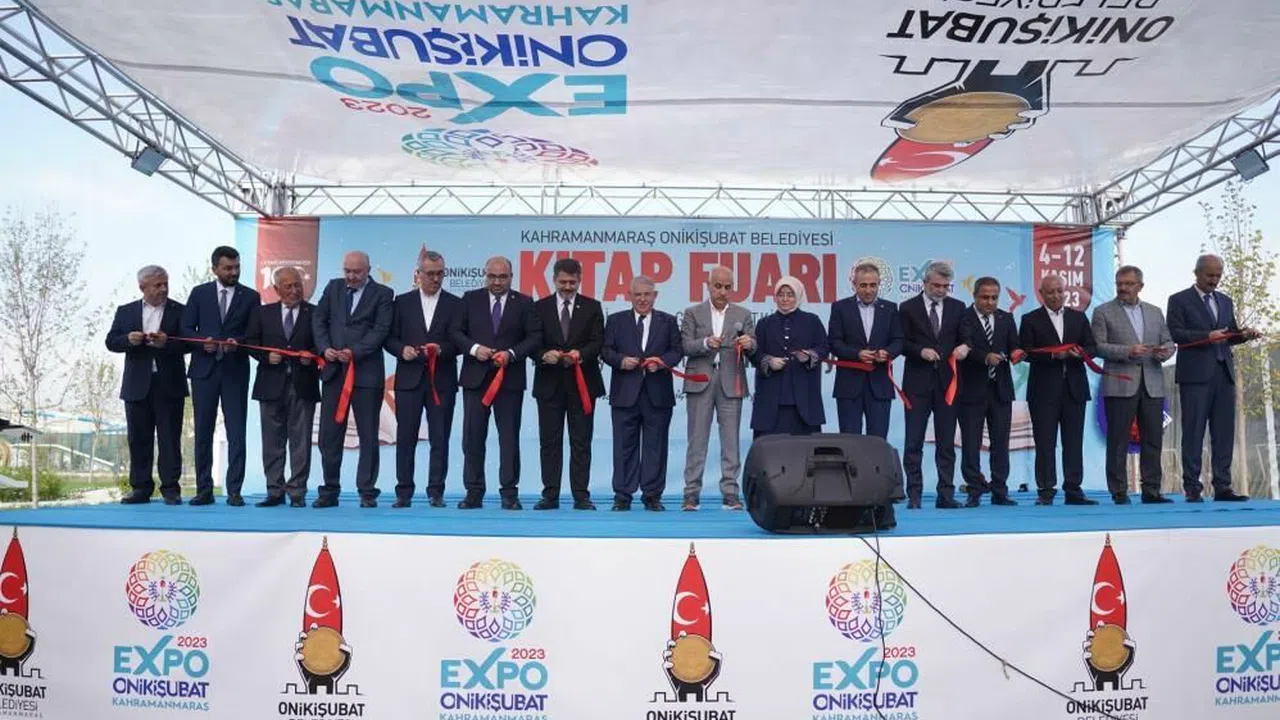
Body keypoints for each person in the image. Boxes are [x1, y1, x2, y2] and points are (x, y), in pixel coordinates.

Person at [1166, 254, 1260, 502]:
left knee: (1224, 433)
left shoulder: (1225, 301)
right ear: (1196, 273)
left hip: (1223, 374)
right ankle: (1192, 487)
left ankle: (1223, 486)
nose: (1214, 280)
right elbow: (1176, 333)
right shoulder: (1179, 300)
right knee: (1193, 432)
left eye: (1218, 275)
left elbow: (1229, 335)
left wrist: (1244, 335)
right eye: (1209, 275)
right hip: (1195, 375)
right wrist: (1207, 335)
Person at [451, 256, 540, 510]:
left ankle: (509, 493)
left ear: (511, 277)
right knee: (472, 437)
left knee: (509, 438)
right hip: (475, 379)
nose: (497, 282)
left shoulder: (524, 303)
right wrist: (474, 349)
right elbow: (455, 332)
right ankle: (474, 491)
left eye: (502, 277)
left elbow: (534, 337)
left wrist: (511, 354)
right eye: (492, 276)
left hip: (509, 380)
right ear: (485, 275)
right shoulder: (469, 299)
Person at [312, 250, 394, 508]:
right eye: (347, 271)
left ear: (368, 270)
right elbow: (319, 320)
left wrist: (354, 352)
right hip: (334, 373)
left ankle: (367, 491)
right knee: (329, 434)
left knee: (368, 435)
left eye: (357, 272)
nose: (351, 276)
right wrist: (325, 348)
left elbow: (380, 331)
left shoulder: (383, 294)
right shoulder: (333, 287)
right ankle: (329, 490)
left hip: (366, 375)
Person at [181, 246, 260, 506]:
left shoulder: (251, 297)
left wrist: (238, 343)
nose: (233, 272)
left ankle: (234, 490)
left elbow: (254, 335)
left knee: (237, 432)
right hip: (203, 372)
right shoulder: (199, 293)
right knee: (203, 431)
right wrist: (200, 342)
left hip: (235, 372)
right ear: (214, 268)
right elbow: (185, 329)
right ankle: (204, 489)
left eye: (237, 267)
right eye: (228, 268)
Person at [1092, 265, 1176, 504]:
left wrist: (1164, 352)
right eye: (1120, 283)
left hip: (1152, 383)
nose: (1123, 288)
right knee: (1118, 440)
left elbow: (1169, 342)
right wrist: (1127, 351)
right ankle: (1119, 491)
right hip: (1120, 384)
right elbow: (1098, 346)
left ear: (1140, 286)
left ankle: (1152, 490)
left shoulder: (1155, 312)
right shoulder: (1102, 312)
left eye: (1128, 284)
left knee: (1153, 439)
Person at [385, 250, 462, 508]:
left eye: (440, 274)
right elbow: (389, 338)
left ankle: (436, 491)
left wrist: (442, 350)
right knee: (405, 438)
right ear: (418, 274)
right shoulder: (401, 302)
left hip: (442, 381)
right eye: (430, 274)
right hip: (409, 381)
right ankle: (403, 492)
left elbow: (460, 341)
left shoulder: (456, 304)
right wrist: (401, 350)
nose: (435, 279)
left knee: (440, 438)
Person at [106, 265, 189, 505]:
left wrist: (167, 343)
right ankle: (140, 488)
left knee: (169, 438)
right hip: (137, 385)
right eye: (157, 285)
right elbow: (111, 341)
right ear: (142, 287)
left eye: (166, 284)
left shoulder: (180, 310)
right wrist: (128, 340)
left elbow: (189, 343)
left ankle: (170, 488)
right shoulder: (126, 311)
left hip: (169, 384)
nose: (163, 289)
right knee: (138, 438)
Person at [530, 258, 605, 511]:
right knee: (549, 442)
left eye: (572, 282)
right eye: (563, 282)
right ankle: (550, 495)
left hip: (583, 385)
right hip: (549, 385)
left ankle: (581, 495)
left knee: (581, 442)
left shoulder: (593, 307)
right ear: (554, 280)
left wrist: (580, 354)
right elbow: (532, 343)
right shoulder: (539, 307)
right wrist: (544, 355)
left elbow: (598, 343)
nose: (567, 287)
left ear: (580, 280)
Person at [602, 276, 683, 511]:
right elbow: (605, 350)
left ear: (655, 296)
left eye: (647, 294)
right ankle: (622, 495)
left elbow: (677, 351)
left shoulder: (668, 321)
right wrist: (621, 361)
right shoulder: (616, 321)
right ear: (629, 296)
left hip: (658, 394)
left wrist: (662, 362)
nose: (642, 299)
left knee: (655, 446)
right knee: (623, 446)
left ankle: (652, 496)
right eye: (637, 294)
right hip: (625, 394)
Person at [679, 266, 755, 511]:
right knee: (697, 440)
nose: (722, 291)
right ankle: (691, 494)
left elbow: (753, 346)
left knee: (731, 441)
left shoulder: (743, 314)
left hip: (731, 381)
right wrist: (704, 343)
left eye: (727, 287)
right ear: (708, 286)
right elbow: (684, 346)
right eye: (718, 286)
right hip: (700, 380)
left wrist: (749, 343)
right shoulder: (692, 313)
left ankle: (731, 494)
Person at [1018, 274, 1099, 505]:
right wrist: (1053, 356)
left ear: (1065, 292)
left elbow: (1092, 347)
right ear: (1041, 294)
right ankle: (1046, 490)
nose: (1055, 296)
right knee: (1045, 443)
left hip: (1074, 389)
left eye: (1059, 291)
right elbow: (1026, 352)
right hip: (1043, 390)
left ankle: (1073, 489)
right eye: (1050, 292)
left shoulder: (1079, 317)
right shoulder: (1030, 320)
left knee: (1073, 442)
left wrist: (1080, 353)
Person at [244, 266, 320, 508]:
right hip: (270, 384)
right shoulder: (262, 313)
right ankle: (274, 490)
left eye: (298, 285)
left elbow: (323, 343)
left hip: (303, 384)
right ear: (276, 289)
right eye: (288, 286)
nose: (295, 290)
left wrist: (312, 356)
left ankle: (297, 492)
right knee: (272, 441)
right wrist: (266, 357)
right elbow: (251, 343)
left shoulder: (315, 313)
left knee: (301, 441)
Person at [898, 261, 966, 509]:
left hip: (948, 384)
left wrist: (964, 347)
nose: (940, 290)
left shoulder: (958, 307)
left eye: (945, 286)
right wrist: (920, 351)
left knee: (946, 442)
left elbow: (966, 337)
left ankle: (945, 494)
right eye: (936, 285)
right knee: (914, 441)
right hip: (917, 383)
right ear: (925, 283)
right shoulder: (908, 308)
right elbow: (900, 342)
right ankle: (914, 495)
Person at [955, 277, 1021, 507]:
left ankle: (1000, 490)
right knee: (971, 442)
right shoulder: (964, 317)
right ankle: (974, 490)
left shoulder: (1006, 318)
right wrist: (984, 357)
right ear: (974, 296)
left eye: (994, 297)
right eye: (985, 297)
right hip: (971, 389)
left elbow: (1014, 344)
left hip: (1000, 389)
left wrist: (1017, 353)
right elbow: (964, 346)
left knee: (1000, 442)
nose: (990, 302)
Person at [829, 262, 904, 438]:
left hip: (880, 385)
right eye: (863, 285)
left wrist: (887, 353)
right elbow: (834, 342)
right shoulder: (840, 308)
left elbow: (899, 340)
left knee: (878, 441)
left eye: (873, 285)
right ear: (854, 285)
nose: (868, 290)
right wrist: (857, 354)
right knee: (849, 441)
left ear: (879, 285)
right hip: (848, 387)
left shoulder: (891, 308)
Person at [750, 276, 828, 437]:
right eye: (781, 294)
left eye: (790, 295)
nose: (785, 299)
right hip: (771, 399)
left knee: (805, 449)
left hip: (804, 399)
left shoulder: (812, 321)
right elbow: (755, 353)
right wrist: (769, 361)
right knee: (769, 448)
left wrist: (809, 356)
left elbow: (824, 347)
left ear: (798, 296)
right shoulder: (764, 324)